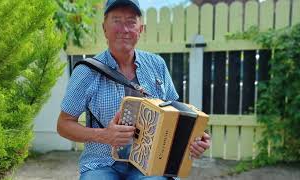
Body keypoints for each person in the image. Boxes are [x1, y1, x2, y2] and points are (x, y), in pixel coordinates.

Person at [57, 0, 211, 179]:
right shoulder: (86, 71)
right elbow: (63, 125)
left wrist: (196, 139)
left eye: (131, 21)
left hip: (152, 163)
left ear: (141, 29)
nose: (124, 29)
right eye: (116, 21)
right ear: (104, 28)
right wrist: (104, 135)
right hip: (102, 163)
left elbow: (178, 115)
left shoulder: (156, 64)